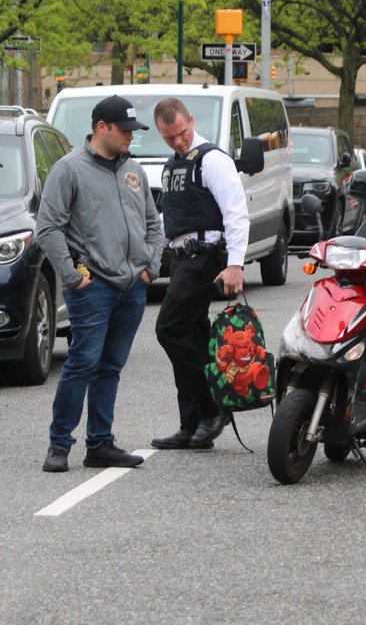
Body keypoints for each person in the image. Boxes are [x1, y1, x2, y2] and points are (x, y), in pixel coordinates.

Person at [37, 95, 164, 472]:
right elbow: (48, 227)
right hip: (93, 288)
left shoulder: (134, 171)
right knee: (82, 363)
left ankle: (100, 444)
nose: (131, 137)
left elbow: (154, 224)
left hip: (132, 287)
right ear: (101, 128)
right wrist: (73, 277)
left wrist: (149, 268)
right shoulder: (69, 169)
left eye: (133, 131)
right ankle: (59, 445)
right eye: (124, 130)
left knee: (110, 367)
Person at [150, 97, 250, 450]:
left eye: (181, 133)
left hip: (204, 258)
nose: (177, 141)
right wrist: (150, 260)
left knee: (169, 329)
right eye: (169, 138)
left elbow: (236, 213)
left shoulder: (212, 160)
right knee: (192, 337)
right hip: (181, 258)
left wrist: (235, 264)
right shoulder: (174, 164)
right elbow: (170, 218)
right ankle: (191, 425)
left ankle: (211, 410)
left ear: (191, 120)